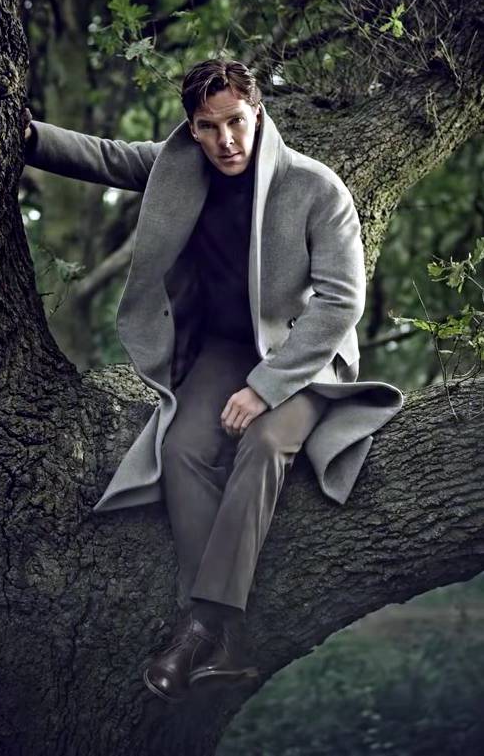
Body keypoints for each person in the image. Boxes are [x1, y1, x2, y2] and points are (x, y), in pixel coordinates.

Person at [23, 58, 404, 704]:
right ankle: (226, 641)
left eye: (235, 122)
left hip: (300, 355)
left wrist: (266, 388)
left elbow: (340, 303)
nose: (225, 140)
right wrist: (23, 134)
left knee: (263, 442)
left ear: (258, 113)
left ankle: (201, 627)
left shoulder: (316, 186)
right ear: (192, 128)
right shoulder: (180, 166)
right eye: (208, 126)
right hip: (222, 349)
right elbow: (108, 157)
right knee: (180, 448)